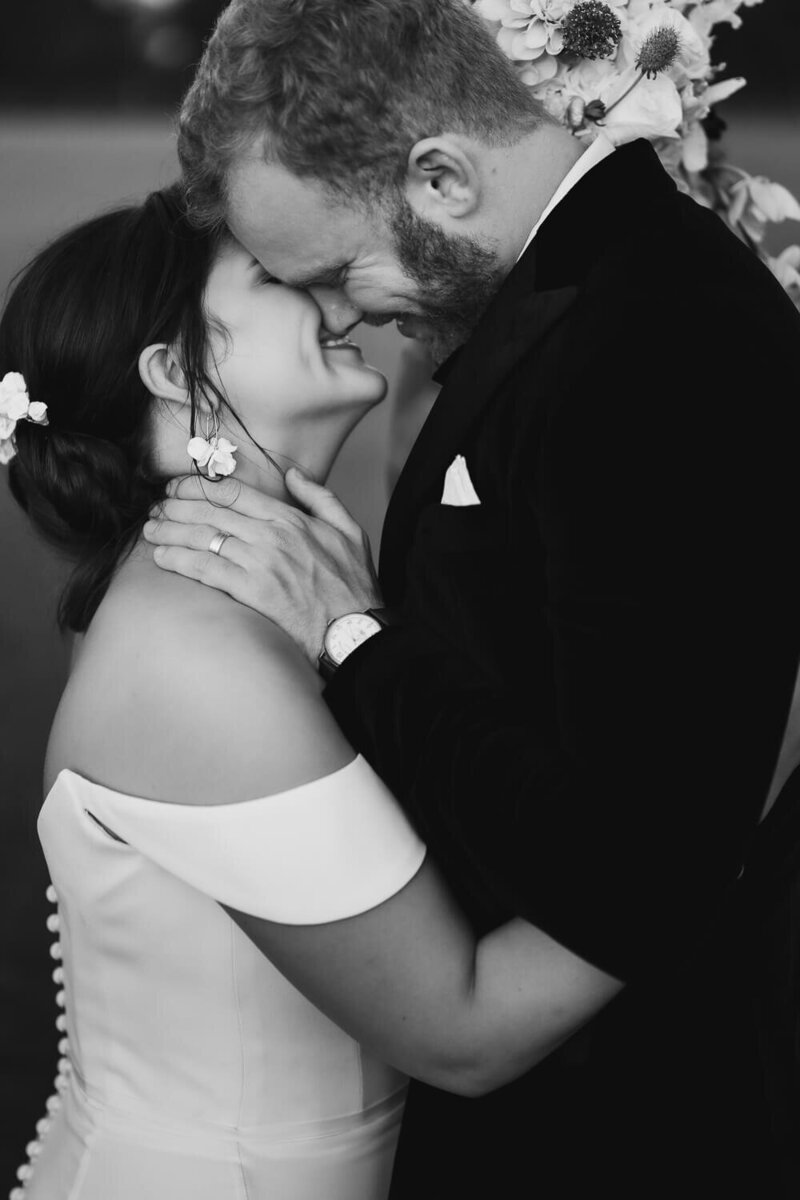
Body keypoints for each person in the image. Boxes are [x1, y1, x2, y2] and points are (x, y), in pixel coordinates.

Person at [142, 1, 800, 1196]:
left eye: (338, 271)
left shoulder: (653, 338)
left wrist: (353, 636)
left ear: (440, 176)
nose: (336, 315)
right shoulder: (575, 293)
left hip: (626, 1125)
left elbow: (631, 876)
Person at [3, 184, 629, 1200]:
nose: (331, 294)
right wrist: (688, 843)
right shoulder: (192, 659)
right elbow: (463, 1031)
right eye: (274, 276)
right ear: (176, 369)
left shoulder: (235, 594)